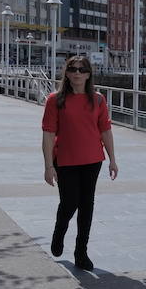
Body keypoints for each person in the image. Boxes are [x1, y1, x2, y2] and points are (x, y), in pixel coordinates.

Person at [42, 55, 117, 271]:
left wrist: (113, 159)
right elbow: (48, 134)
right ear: (66, 72)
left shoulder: (98, 99)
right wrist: (48, 166)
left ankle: (81, 252)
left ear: (88, 74)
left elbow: (105, 130)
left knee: (87, 205)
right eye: (72, 69)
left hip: (93, 160)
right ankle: (60, 230)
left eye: (82, 69)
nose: (77, 73)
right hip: (65, 160)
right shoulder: (55, 99)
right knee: (69, 203)